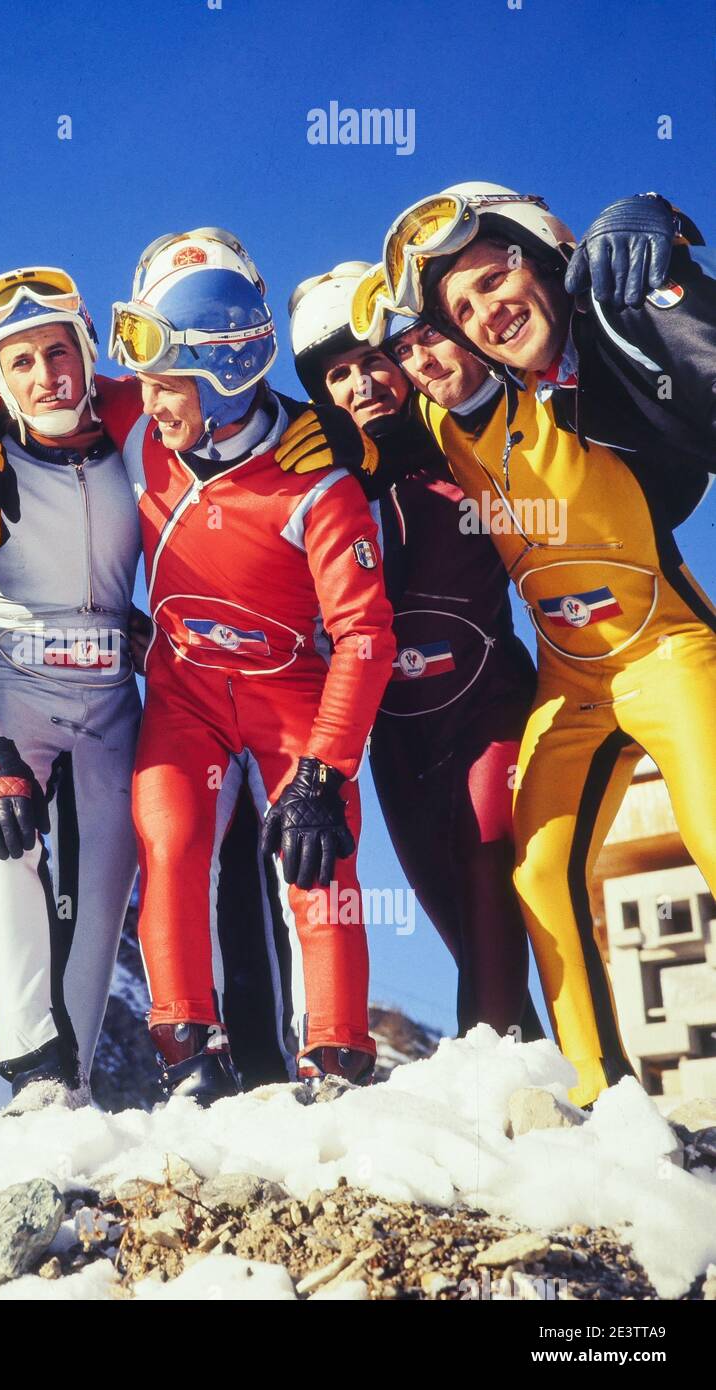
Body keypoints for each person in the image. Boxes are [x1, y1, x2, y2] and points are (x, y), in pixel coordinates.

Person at [0, 230, 396, 1099]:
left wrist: (340, 439)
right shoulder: (76, 442)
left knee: (258, 864)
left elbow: (363, 632)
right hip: (104, 688)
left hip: (220, 694)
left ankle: (316, 1059)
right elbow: (43, 386)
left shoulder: (228, 455)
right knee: (107, 845)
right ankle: (109, 1062)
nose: (147, 401)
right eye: (20, 363)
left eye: (63, 353)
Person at [369, 182, 716, 1105]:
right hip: (570, 682)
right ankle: (605, 1103)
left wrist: (655, 221)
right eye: (454, 315)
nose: (472, 327)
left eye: (493, 285)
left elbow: (644, 325)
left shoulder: (579, 370)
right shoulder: (440, 429)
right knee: (538, 872)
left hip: (668, 652)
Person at [289, 264, 541, 1039]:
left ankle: (501, 1071)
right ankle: (530, 1097)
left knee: (490, 882)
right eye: (339, 373)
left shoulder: (471, 441)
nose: (363, 382)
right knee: (461, 931)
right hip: (395, 738)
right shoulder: (311, 484)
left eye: (375, 359)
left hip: (488, 706)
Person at [0, 268, 143, 1110]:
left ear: (87, 354)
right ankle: (32, 1073)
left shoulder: (138, 443)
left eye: (59, 351)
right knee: (4, 838)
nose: (46, 375)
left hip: (117, 696)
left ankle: (72, 1089)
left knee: (104, 893)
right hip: (14, 684)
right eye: (20, 363)